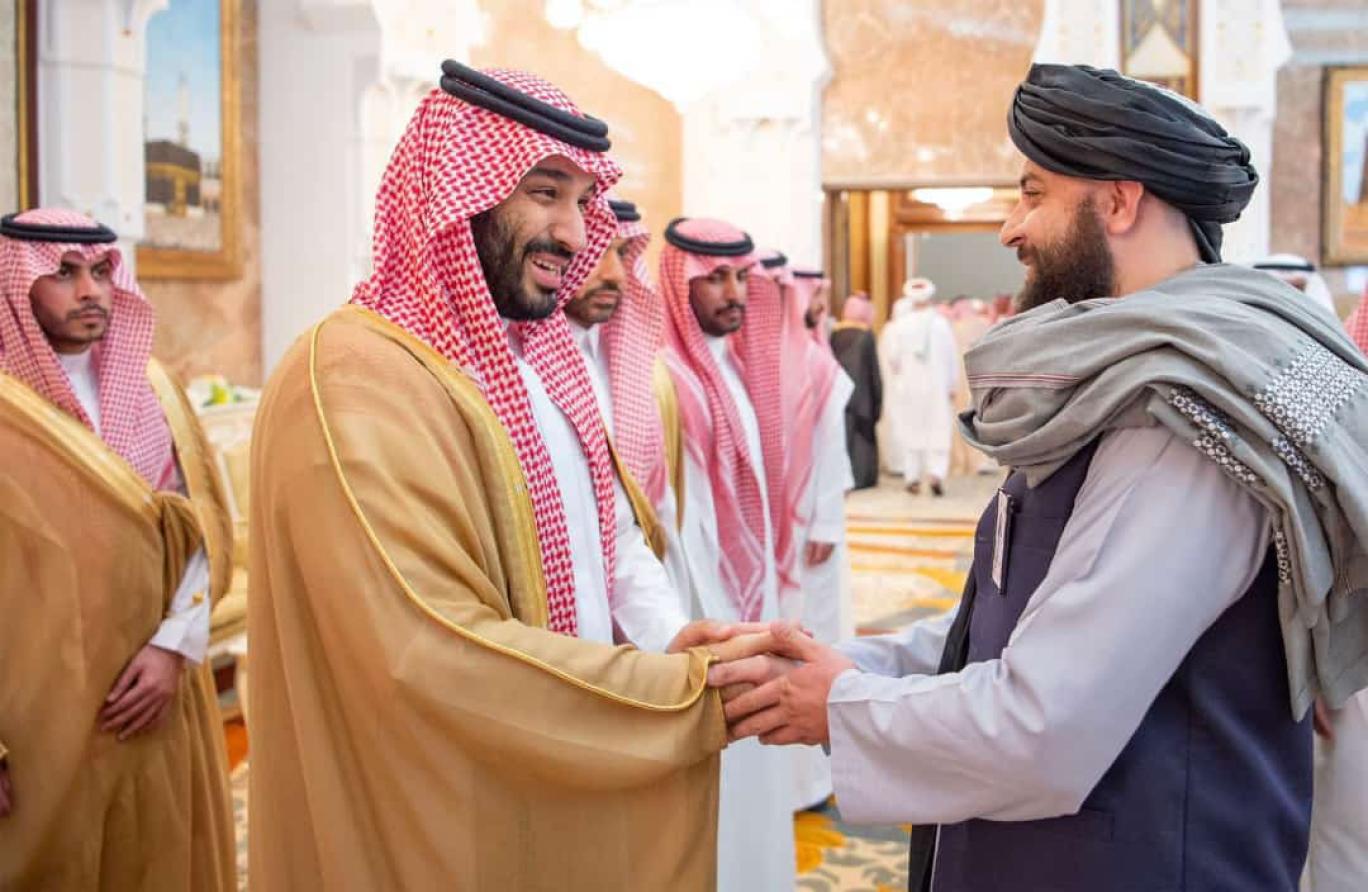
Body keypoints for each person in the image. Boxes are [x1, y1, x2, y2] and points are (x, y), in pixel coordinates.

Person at [711, 63, 1368, 892]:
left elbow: (1046, 725)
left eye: (1032, 193)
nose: (1010, 229)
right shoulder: (1130, 381)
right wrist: (834, 664)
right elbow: (1019, 625)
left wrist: (836, 702)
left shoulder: (1190, 418)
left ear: (1119, 203)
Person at [247, 64, 770, 890]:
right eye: (543, 192)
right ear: (455, 193)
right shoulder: (352, 374)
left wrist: (671, 637)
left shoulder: (542, 358)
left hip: (556, 749)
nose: (573, 232)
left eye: (582, 200)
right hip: (434, 794)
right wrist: (672, 694)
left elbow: (608, 533)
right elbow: (422, 645)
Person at [0, 208, 235, 889]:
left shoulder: (154, 389)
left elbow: (202, 531)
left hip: (153, 691)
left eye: (102, 272)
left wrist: (174, 647)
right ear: (15, 284)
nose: (90, 291)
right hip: (34, 707)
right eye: (63, 274)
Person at [659, 220, 796, 892]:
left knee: (757, 773)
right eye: (714, 278)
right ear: (679, 283)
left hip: (749, 599)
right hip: (700, 610)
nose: (734, 292)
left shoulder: (734, 370)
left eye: (741, 277)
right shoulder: (668, 380)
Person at [886, 276, 960, 495]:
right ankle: (936, 474)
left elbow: (893, 360)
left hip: (910, 387)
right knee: (938, 429)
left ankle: (912, 477)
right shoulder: (941, 324)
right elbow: (951, 358)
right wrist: (952, 384)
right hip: (937, 387)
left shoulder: (900, 326)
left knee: (911, 429)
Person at [830, 293, 882, 488]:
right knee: (861, 439)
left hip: (839, 393)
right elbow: (873, 370)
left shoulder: (835, 333)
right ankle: (861, 478)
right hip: (863, 395)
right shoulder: (866, 335)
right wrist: (878, 398)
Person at [1253, 253, 1339, 317]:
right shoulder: (1253, 314)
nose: (1289, 292)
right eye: (1278, 286)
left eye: (1296, 287)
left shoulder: (1318, 318)